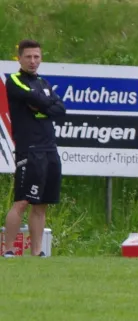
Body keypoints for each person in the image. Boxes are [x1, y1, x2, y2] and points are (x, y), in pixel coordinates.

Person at [2, 39, 66, 258]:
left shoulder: (44, 83)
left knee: (42, 204)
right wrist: (45, 105)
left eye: (36, 56)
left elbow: (60, 110)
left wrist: (41, 106)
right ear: (19, 58)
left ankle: (37, 252)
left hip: (49, 149)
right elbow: (33, 98)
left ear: (41, 58)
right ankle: (8, 250)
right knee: (22, 201)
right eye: (28, 56)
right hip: (29, 149)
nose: (33, 61)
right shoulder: (14, 81)